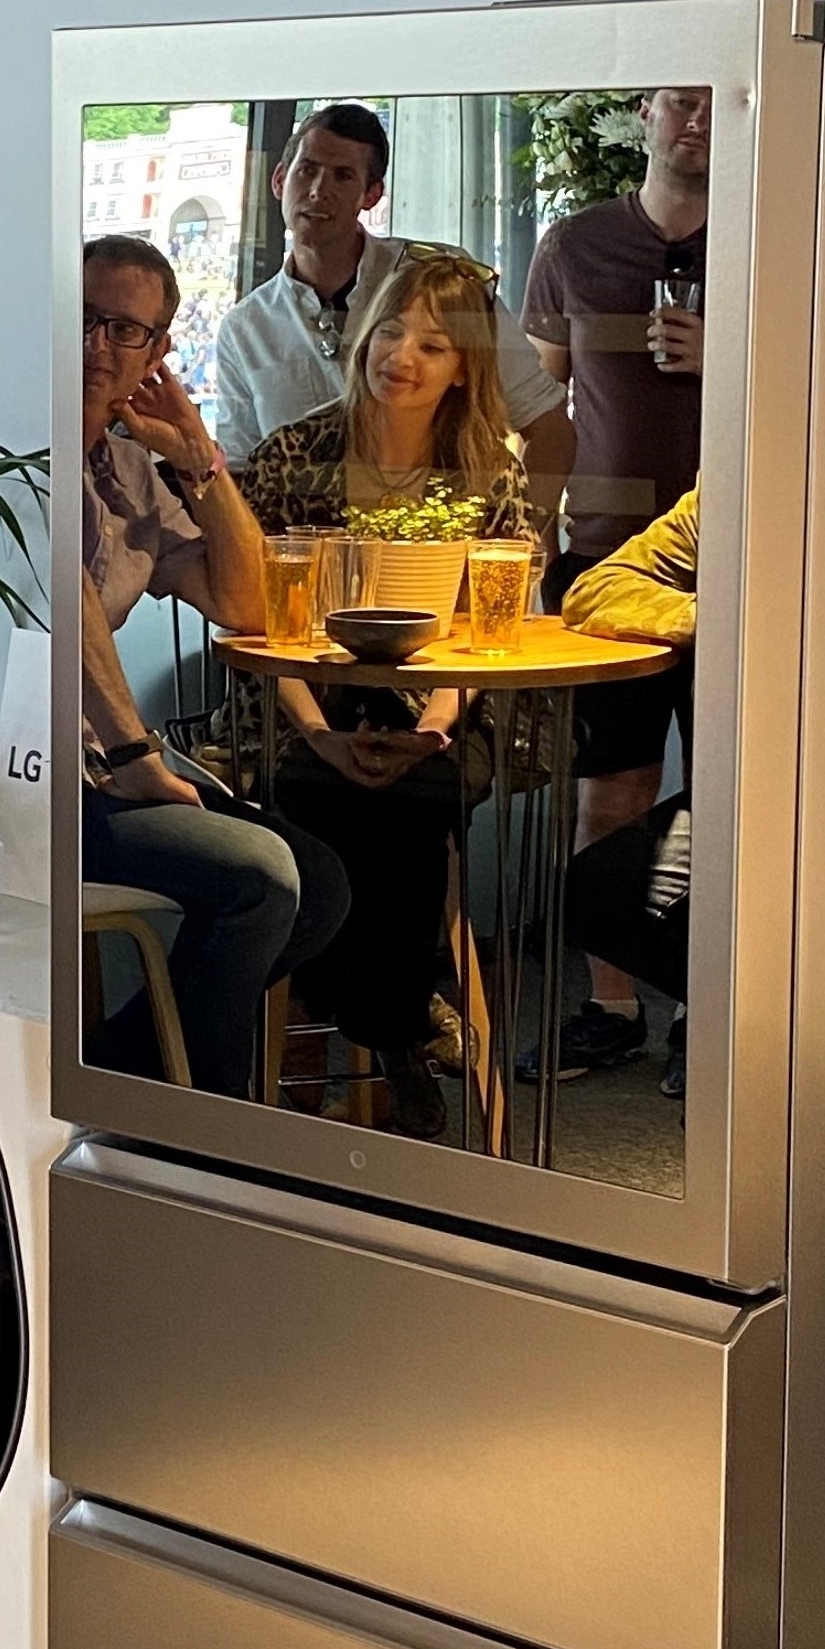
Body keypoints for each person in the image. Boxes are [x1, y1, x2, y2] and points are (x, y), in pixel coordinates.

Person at [242, 252, 532, 1141]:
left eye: (434, 344)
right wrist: (320, 731)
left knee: (411, 797)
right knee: (325, 793)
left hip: (444, 709)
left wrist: (436, 726)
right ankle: (402, 1026)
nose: (402, 355)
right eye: (392, 330)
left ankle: (372, 1018)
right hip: (306, 704)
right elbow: (257, 613)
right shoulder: (297, 451)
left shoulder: (491, 469)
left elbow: (493, 622)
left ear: (463, 367)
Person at [78, 234, 349, 1099]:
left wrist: (195, 452)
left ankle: (118, 1086)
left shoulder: (124, 466)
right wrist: (133, 758)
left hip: (105, 762)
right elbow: (55, 600)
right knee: (258, 880)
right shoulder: (20, 449)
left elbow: (247, 605)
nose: (96, 346)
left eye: (124, 330)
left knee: (323, 886)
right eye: (82, 319)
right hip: (32, 773)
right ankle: (205, 1136)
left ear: (156, 353)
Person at [519, 86, 709, 1090]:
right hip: (602, 559)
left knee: (730, 798)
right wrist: (525, 537)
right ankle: (610, 1006)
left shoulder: (776, 238)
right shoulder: (574, 245)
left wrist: (729, 356)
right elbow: (540, 403)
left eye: (719, 103)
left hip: (740, 554)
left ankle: (709, 1012)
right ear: (644, 113)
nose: (697, 122)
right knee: (612, 787)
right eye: (680, 102)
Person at [215, 103, 574, 526]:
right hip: (316, 571)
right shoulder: (245, 328)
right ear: (279, 179)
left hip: (441, 561)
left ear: (372, 195)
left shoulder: (438, 280)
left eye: (342, 175)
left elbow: (549, 427)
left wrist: (519, 543)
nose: (317, 190)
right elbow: (239, 478)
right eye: (306, 170)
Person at [558, 484, 698, 1056]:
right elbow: (594, 590)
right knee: (599, 883)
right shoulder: (729, 491)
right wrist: (731, 617)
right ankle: (619, 1009)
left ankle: (711, 1026)